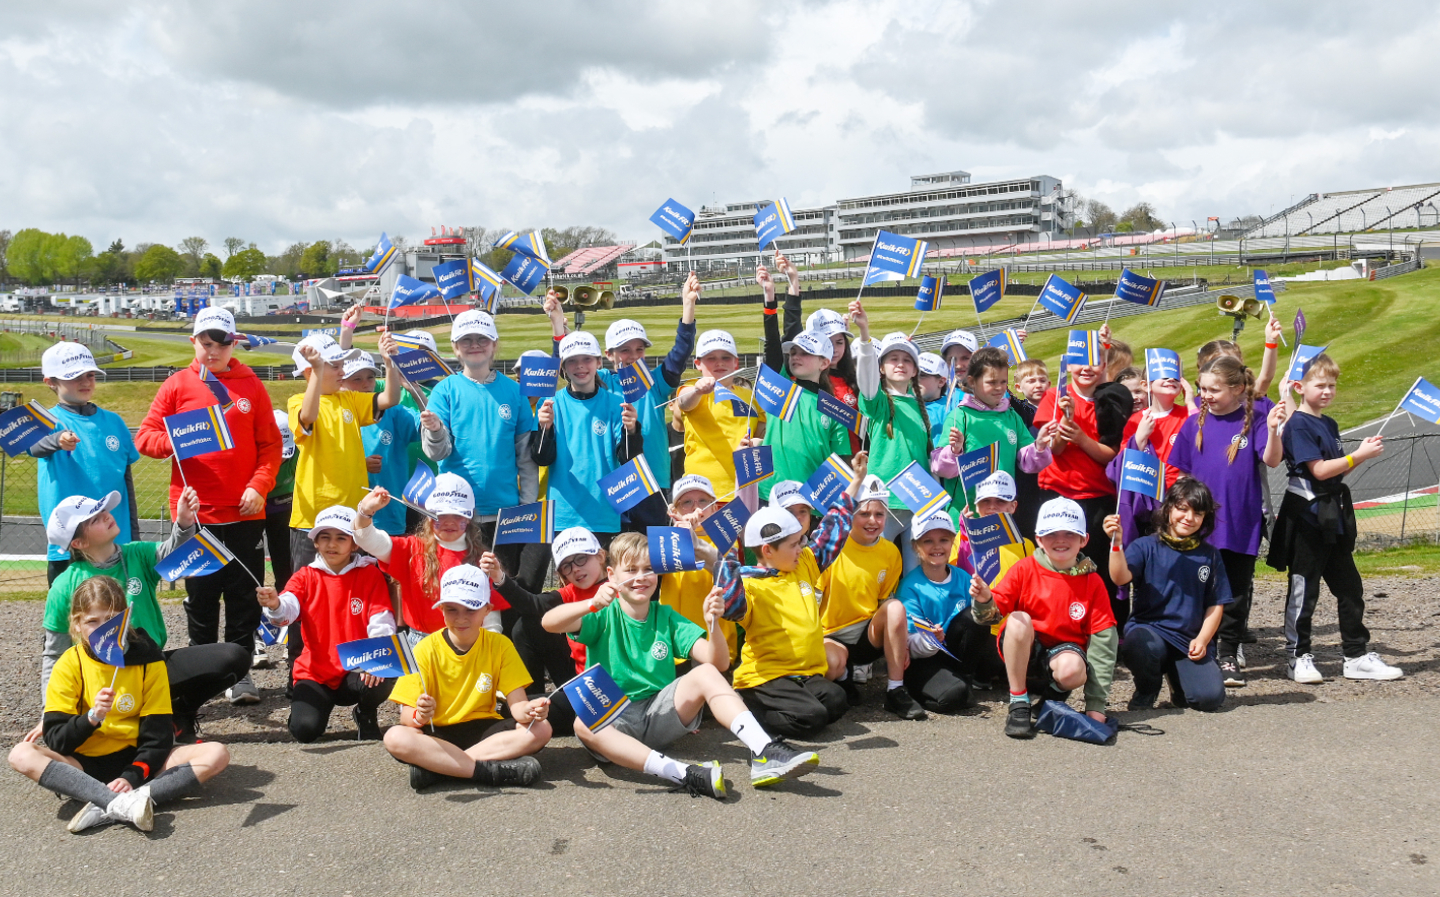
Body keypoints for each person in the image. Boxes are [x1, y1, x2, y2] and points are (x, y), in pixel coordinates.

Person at [543, 533, 819, 800]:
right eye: (631, 570)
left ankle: (764, 750)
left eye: (648, 568)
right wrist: (591, 603)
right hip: (617, 720)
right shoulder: (601, 614)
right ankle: (684, 774)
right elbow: (549, 623)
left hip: (660, 714)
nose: (640, 577)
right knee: (583, 724)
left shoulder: (666, 616)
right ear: (612, 575)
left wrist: (713, 624)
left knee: (705, 672)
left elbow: (718, 663)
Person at [135, 307, 283, 704]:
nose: (214, 349)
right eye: (206, 342)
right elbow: (145, 439)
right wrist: (175, 442)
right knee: (201, 599)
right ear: (194, 342)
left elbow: (271, 446)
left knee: (242, 598)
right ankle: (200, 677)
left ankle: (240, 675)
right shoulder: (177, 384)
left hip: (245, 512)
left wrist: (259, 485)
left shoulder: (251, 384)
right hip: (195, 516)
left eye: (222, 342)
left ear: (234, 344)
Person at [10, 576, 230, 834]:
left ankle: (112, 803)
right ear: (78, 624)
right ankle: (118, 802)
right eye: (92, 621)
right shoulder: (69, 663)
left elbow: (158, 735)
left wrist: (132, 776)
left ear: (125, 620)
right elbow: (58, 741)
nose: (104, 628)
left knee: (217, 754)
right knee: (21, 754)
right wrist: (92, 716)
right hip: (83, 766)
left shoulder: (149, 660)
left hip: (135, 759)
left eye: (112, 619)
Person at [40, 488, 251, 744]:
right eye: (95, 519)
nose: (106, 515)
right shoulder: (64, 586)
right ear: (79, 543)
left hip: (153, 667)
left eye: (103, 510)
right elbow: (54, 654)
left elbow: (173, 556)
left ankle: (178, 715)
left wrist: (184, 522)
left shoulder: (136, 553)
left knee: (235, 657)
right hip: (104, 685)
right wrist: (51, 714)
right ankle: (139, 725)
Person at [1267, 354, 1403, 684]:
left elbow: (1337, 469)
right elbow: (1318, 470)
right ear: (1300, 387)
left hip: (1333, 514)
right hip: (1308, 517)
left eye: (1332, 385)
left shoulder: (1328, 424)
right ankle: (1297, 656)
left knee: (1350, 588)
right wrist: (1358, 455)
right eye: (1320, 385)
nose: (1327, 391)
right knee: (1304, 589)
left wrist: (1358, 456)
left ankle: (1356, 655)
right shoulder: (1298, 424)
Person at [714, 452, 869, 739]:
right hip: (766, 678)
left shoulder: (805, 563)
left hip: (803, 674)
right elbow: (730, 607)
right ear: (768, 551)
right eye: (794, 544)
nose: (801, 548)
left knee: (837, 701)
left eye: (800, 542)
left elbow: (833, 528)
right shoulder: (748, 584)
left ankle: (797, 702)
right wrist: (724, 558)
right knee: (813, 718)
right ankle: (749, 707)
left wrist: (856, 481)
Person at [1167, 356, 1286, 688]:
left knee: (1233, 594)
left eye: (1214, 389)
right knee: (1198, 591)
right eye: (1202, 388)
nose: (1205, 395)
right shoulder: (1193, 425)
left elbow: (1272, 460)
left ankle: (1229, 654)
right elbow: (1182, 474)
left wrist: (1274, 429)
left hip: (1240, 523)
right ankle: (1203, 649)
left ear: (1238, 389)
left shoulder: (1255, 418)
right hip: (1200, 526)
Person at [545, 276, 697, 530]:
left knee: (651, 556)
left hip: (653, 479)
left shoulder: (654, 382)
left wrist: (688, 308)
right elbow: (566, 364)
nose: (633, 356)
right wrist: (558, 327)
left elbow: (680, 354)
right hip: (616, 484)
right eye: (625, 350)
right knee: (618, 556)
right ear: (608, 355)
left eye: (640, 350)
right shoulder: (601, 380)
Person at [384, 565, 550, 791]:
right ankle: (486, 772)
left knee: (541, 728)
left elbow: (518, 706)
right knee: (395, 737)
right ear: (441, 609)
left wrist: (531, 709)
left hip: (484, 731)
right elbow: (407, 718)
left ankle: (441, 769)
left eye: (471, 609)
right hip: (438, 733)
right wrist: (420, 714)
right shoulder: (424, 649)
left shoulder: (500, 645)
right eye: (452, 609)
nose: (461, 618)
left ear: (487, 609)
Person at [970, 498, 1119, 739]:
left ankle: (1051, 699)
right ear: (1038, 538)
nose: (1060, 540)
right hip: (1024, 649)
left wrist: (1096, 708)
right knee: (1019, 619)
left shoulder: (1093, 581)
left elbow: (1104, 641)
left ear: (1084, 539)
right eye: (1051, 533)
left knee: (1073, 670)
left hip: (1063, 653)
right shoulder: (1024, 568)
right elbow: (989, 616)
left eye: (1070, 534)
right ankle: (1018, 702)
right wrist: (985, 598)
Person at [421, 310, 542, 589]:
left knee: (502, 592)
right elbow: (437, 453)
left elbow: (525, 457)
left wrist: (527, 505)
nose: (475, 345)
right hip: (459, 514)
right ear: (455, 348)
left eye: (482, 339)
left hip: (506, 515)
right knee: (459, 590)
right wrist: (437, 430)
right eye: (467, 340)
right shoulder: (445, 391)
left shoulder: (515, 392)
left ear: (494, 345)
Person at [256, 506, 397, 743]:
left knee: (387, 669)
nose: (332, 544)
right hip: (315, 672)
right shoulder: (305, 576)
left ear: (354, 544)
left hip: (356, 667)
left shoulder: (370, 574)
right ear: (316, 543)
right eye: (325, 537)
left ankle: (365, 713)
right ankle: (310, 710)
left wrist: (377, 659)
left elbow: (381, 620)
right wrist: (275, 604)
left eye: (341, 537)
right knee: (305, 731)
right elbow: (287, 610)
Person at [1104, 478, 1230, 711]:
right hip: (1150, 632)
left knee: (1209, 699)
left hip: (1188, 639)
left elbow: (1216, 604)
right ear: (1169, 507)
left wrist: (1202, 640)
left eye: (1198, 513)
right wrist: (1117, 544)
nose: (1189, 518)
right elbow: (1119, 578)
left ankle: (1178, 680)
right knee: (1137, 645)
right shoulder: (1145, 546)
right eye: (1182, 509)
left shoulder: (1210, 555)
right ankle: (1147, 688)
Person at [1031, 328, 1130, 606]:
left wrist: (1082, 438)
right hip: (1056, 494)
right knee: (1058, 566)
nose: (1087, 368)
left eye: (1095, 360)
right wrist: (1065, 423)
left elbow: (1110, 454)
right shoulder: (1054, 396)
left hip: (1096, 498)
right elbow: (1053, 451)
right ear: (1068, 364)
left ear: (1104, 364)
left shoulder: (1110, 398)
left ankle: (1102, 628)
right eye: (1080, 360)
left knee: (1097, 568)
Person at [287, 332, 401, 570]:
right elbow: (307, 417)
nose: (342, 372)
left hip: (350, 516)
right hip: (313, 518)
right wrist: (319, 370)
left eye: (342, 365)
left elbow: (390, 398)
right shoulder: (297, 401)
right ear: (309, 371)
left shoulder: (348, 398)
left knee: (349, 590)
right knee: (309, 590)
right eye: (335, 366)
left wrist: (389, 364)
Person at [482, 527, 612, 732]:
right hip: (577, 677)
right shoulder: (571, 591)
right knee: (527, 626)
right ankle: (531, 696)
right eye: (566, 566)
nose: (575, 569)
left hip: (607, 687)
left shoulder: (622, 587)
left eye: (581, 558)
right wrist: (499, 577)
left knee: (509, 715)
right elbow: (531, 604)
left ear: (601, 556)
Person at [31, 342, 139, 586]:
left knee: (118, 615)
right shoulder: (47, 421)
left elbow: (126, 483)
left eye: (90, 375)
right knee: (71, 618)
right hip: (69, 545)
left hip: (114, 541)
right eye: (74, 377)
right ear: (50, 382)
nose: (85, 382)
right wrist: (57, 441)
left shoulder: (115, 422)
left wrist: (133, 534)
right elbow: (34, 447)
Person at [353, 474, 507, 640]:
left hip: (468, 644)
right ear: (427, 516)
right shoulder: (411, 549)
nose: (449, 522)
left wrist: (488, 647)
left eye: (458, 515)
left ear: (469, 517)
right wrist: (365, 511)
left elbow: (491, 619)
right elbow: (366, 539)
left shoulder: (482, 559)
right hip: (420, 643)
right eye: (440, 516)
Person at [818, 475, 919, 718]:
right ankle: (843, 677)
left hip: (867, 635)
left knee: (895, 608)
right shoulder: (833, 549)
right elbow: (815, 600)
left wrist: (900, 641)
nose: (872, 521)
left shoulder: (890, 552)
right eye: (864, 514)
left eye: (879, 514)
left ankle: (895, 690)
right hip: (831, 634)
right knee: (832, 665)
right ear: (850, 514)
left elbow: (885, 601)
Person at [531, 330, 642, 541]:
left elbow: (628, 459)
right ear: (563, 366)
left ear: (599, 362)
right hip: (564, 512)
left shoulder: (615, 404)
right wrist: (545, 428)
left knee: (603, 574)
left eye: (587, 359)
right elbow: (541, 458)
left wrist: (632, 431)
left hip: (604, 511)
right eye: (572, 361)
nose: (580, 366)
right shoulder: (551, 404)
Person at [758, 265, 852, 500]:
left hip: (810, 503)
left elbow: (840, 461)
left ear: (824, 363)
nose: (796, 356)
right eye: (794, 352)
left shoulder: (833, 407)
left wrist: (818, 502)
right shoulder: (780, 388)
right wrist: (769, 298)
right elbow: (773, 343)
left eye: (805, 353)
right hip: (770, 496)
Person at [932, 347, 1056, 523]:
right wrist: (954, 450)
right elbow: (940, 468)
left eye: (1003, 382)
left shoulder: (1011, 416)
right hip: (967, 517)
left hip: (1002, 516)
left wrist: (1040, 446)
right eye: (991, 382)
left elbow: (1028, 463)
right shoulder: (960, 416)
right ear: (972, 382)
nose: (999, 388)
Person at [850, 302, 931, 568]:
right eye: (893, 359)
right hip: (883, 502)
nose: (900, 364)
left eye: (907, 359)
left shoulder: (922, 408)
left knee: (913, 574)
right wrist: (864, 333)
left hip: (918, 503)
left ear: (915, 369)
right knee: (877, 570)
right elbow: (867, 381)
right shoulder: (880, 402)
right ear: (881, 367)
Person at [896, 510, 987, 713]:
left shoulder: (963, 577)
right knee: (953, 698)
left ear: (952, 542)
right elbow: (908, 644)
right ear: (915, 547)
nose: (937, 546)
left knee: (976, 614)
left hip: (952, 654)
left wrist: (986, 600)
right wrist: (931, 640)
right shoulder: (910, 587)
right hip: (922, 659)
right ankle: (923, 690)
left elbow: (980, 624)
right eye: (928, 541)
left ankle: (965, 679)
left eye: (944, 539)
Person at [675, 330, 765, 501]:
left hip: (745, 488)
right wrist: (697, 390)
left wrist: (759, 442)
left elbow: (764, 432)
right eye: (711, 358)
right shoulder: (693, 388)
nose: (719, 363)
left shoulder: (751, 396)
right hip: (702, 492)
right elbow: (684, 402)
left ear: (736, 363)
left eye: (726, 357)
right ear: (697, 364)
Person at [658, 474, 739, 665]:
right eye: (686, 502)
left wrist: (695, 543)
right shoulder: (665, 540)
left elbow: (725, 570)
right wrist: (680, 534)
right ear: (674, 510)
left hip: (718, 653)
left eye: (703, 501)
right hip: (674, 656)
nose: (696, 508)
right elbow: (652, 571)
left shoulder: (727, 538)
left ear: (714, 507)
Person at [345, 350, 421, 537]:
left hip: (388, 517)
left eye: (370, 377)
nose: (365, 384)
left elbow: (430, 425)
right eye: (357, 379)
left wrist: (415, 391)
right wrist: (360, 465)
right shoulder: (335, 413)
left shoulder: (393, 412)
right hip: (345, 517)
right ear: (341, 381)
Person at [260, 410, 298, 673]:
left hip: (284, 507)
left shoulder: (296, 450)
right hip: (252, 506)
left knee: (287, 571)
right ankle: (255, 639)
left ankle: (289, 635)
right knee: (249, 576)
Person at [1010, 359, 1049, 539]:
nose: (1038, 385)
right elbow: (1007, 396)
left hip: (1055, 478)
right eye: (1031, 381)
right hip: (1029, 481)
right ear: (1019, 386)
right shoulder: (1021, 410)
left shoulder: (1057, 408)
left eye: (1042, 380)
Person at [917, 352, 951, 443]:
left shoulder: (952, 408)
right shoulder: (904, 405)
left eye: (922, 375)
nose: (915, 379)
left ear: (941, 382)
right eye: (914, 374)